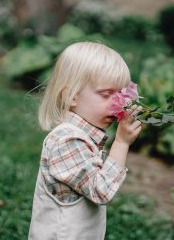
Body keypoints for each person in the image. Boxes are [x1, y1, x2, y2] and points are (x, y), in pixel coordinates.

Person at [28, 41, 142, 240]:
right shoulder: (67, 140)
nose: (119, 103)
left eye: (121, 95)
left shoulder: (83, 137)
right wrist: (121, 143)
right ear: (71, 96)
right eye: (106, 94)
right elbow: (101, 191)